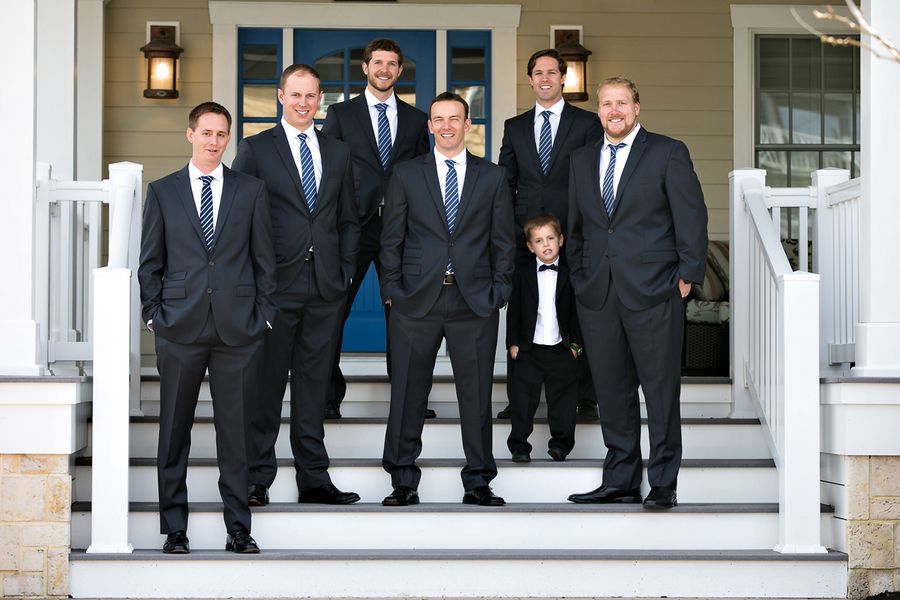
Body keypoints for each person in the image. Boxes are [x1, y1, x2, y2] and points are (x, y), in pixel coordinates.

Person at [138, 101, 275, 554]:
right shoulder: (163, 191)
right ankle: (175, 529)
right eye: (207, 132)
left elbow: (265, 260)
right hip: (179, 327)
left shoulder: (250, 190)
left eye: (221, 134)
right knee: (173, 431)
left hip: (239, 330)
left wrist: (263, 315)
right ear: (190, 134)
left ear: (228, 138)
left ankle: (238, 528)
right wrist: (154, 315)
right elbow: (150, 263)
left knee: (235, 434)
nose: (214, 141)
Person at [566, 77, 708, 509]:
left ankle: (663, 482)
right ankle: (621, 479)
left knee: (660, 390)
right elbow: (576, 227)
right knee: (611, 391)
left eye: (621, 103)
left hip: (655, 290)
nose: (614, 111)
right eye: (606, 104)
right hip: (598, 293)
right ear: (598, 110)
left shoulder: (667, 152)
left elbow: (691, 217)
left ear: (637, 107)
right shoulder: (581, 160)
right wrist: (581, 276)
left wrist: (687, 276)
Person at [232, 64, 361, 508]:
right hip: (274, 287)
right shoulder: (255, 149)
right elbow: (238, 220)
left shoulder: (338, 152)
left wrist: (344, 270)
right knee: (266, 386)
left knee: (314, 386)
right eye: (296, 94)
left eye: (311, 95)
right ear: (280, 96)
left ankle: (314, 479)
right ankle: (257, 477)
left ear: (320, 99)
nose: (304, 103)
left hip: (325, 286)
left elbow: (348, 218)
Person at [379, 92, 515, 507]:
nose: (446, 126)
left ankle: (478, 480)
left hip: (474, 302)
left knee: (475, 395)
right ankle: (403, 480)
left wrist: (498, 292)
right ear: (429, 126)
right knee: (407, 393)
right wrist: (393, 292)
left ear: (468, 124)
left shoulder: (492, 177)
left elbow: (504, 242)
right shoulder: (406, 174)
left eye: (454, 118)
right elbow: (391, 239)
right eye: (438, 119)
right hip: (415, 301)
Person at [322, 38, 432, 420]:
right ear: (365, 67)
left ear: (400, 70)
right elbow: (328, 172)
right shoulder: (340, 115)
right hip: (353, 227)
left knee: (405, 318)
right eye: (378, 63)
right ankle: (327, 397)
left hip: (402, 231)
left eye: (392, 64)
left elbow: (424, 176)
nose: (384, 70)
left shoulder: (417, 120)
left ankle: (408, 400)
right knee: (334, 312)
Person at [496, 48, 603, 422]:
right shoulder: (515, 127)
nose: (544, 78)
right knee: (522, 313)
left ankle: (585, 396)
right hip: (524, 237)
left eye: (552, 72)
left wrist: (584, 229)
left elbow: (593, 181)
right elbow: (505, 182)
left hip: (572, 233)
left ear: (563, 77)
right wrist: (510, 230)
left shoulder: (586, 124)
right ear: (530, 79)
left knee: (578, 312)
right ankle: (519, 399)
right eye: (538, 72)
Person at [506, 213, 582, 463]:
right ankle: (519, 446)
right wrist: (512, 342)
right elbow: (514, 310)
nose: (546, 244)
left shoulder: (571, 275)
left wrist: (575, 345)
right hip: (529, 348)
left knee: (563, 400)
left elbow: (578, 313)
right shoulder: (522, 274)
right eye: (539, 241)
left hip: (561, 348)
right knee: (523, 400)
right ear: (530, 247)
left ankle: (561, 445)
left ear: (561, 240)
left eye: (550, 238)